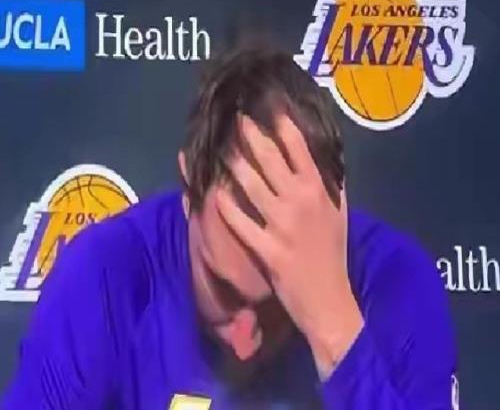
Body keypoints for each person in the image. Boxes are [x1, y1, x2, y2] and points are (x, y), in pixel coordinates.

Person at [2, 45, 457, 409]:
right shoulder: (105, 276)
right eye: (223, 292)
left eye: (278, 304)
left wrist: (335, 329)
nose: (244, 342)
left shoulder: (394, 283)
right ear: (189, 192)